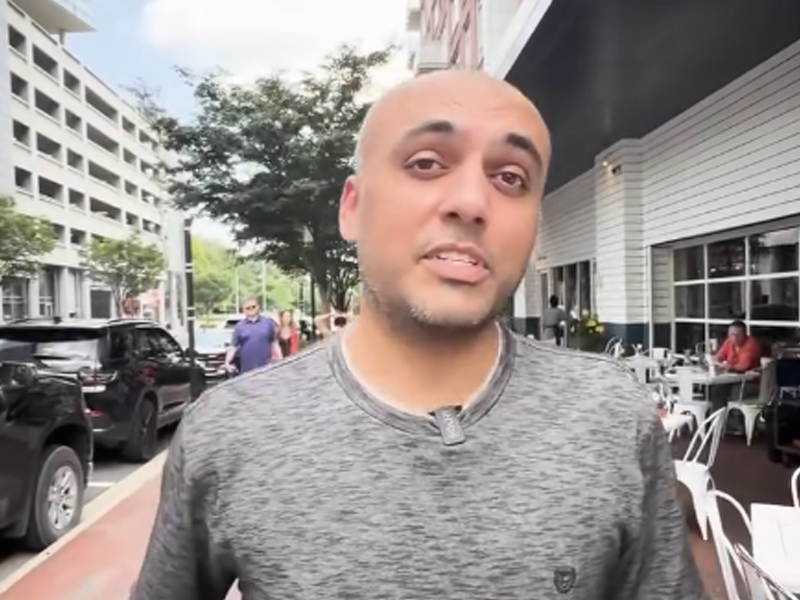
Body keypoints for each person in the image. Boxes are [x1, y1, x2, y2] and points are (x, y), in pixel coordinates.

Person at [131, 70, 703, 600]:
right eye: (427, 163)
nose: (471, 203)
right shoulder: (230, 430)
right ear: (352, 208)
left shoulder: (610, 415)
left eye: (510, 177)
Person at [223, 299, 282, 375]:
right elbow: (233, 347)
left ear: (258, 307)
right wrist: (227, 362)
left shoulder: (269, 322)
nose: (251, 309)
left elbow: (274, 342)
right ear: (243, 310)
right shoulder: (239, 326)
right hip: (247, 371)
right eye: (248, 308)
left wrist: (280, 359)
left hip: (266, 369)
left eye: (253, 306)